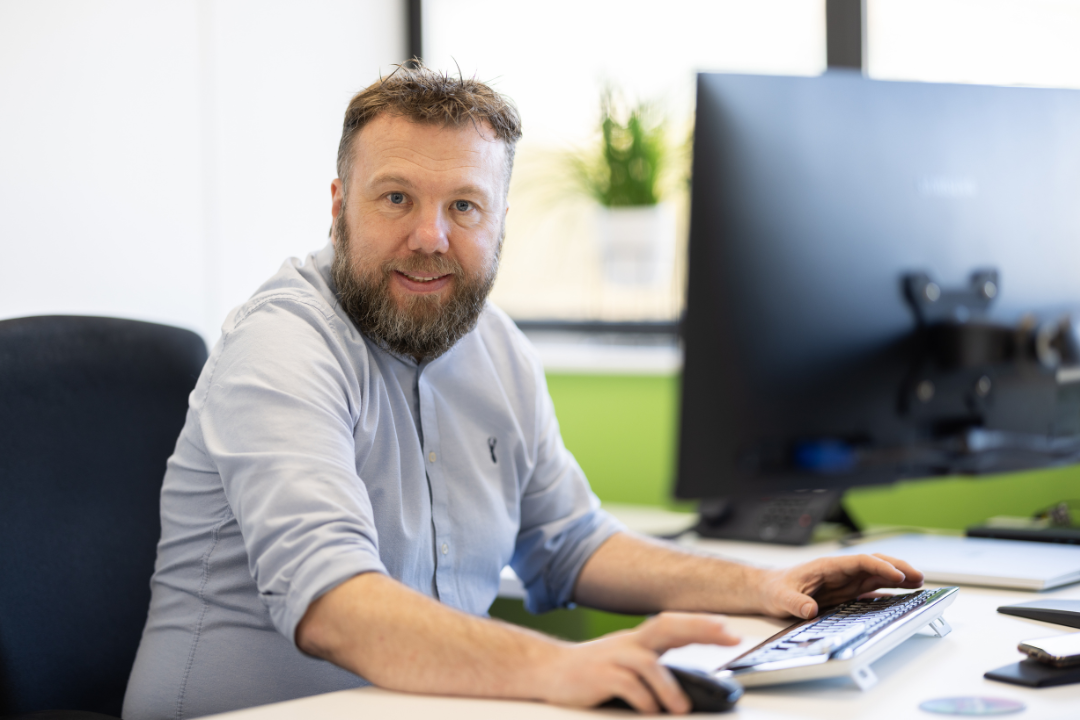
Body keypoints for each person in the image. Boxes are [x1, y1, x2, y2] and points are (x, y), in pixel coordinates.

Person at [123, 65, 923, 719]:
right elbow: (335, 604)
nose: (431, 236)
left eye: (463, 207)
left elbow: (571, 541)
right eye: (396, 197)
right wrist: (564, 667)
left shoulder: (496, 348)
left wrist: (761, 586)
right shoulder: (281, 345)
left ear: (500, 223)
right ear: (340, 210)